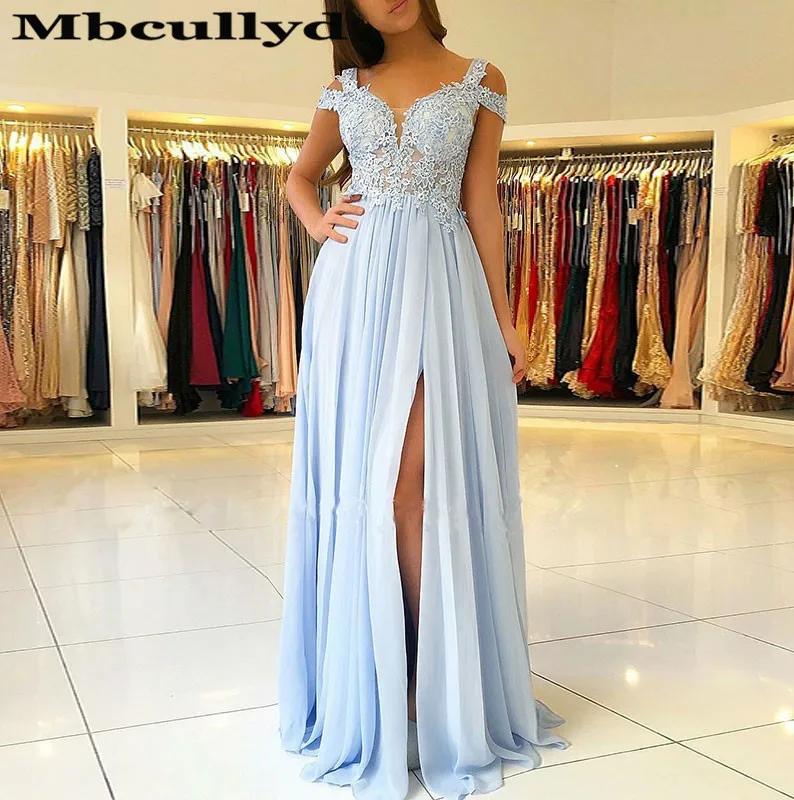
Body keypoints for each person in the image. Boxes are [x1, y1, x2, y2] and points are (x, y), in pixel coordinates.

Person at [278, 1, 568, 797]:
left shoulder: (480, 79)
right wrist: (319, 223)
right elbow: (299, 176)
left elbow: (483, 205)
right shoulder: (346, 86)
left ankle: (419, 675)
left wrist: (504, 318)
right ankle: (378, 670)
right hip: (355, 292)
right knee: (370, 486)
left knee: (413, 488)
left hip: (441, 288)